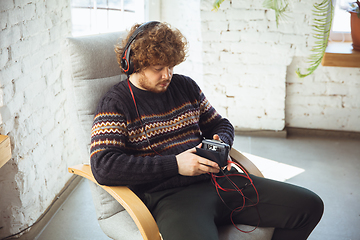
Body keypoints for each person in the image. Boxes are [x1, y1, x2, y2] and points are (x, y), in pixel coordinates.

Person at [90, 21, 324, 240]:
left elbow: (220, 124)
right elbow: (103, 165)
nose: (167, 76)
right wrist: (176, 164)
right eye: (158, 68)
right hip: (170, 198)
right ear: (134, 64)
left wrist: (221, 143)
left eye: (171, 67)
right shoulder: (115, 103)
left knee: (309, 206)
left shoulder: (185, 86)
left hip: (220, 181)